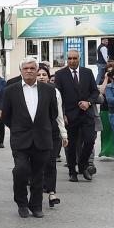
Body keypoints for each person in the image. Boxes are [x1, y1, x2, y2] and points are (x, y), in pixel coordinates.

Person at [1, 58, 63, 218]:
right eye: (26, 68)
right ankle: (21, 202)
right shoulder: (11, 90)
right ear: (21, 70)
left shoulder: (49, 90)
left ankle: (36, 205)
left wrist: (44, 128)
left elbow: (53, 114)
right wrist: (17, 129)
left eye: (32, 68)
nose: (29, 71)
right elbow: (6, 116)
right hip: (20, 139)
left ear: (37, 70)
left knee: (38, 173)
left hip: (42, 138)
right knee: (21, 170)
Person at [53, 50, 99, 182]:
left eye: (75, 58)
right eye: (69, 58)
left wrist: (88, 102)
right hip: (70, 115)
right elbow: (58, 96)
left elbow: (95, 91)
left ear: (80, 58)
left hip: (86, 114)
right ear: (66, 60)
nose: (72, 61)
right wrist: (63, 115)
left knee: (90, 141)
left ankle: (83, 165)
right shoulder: (60, 74)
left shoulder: (87, 72)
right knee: (71, 145)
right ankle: (72, 170)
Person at [36, 64, 68, 209]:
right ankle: (38, 187)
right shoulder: (29, 91)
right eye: (39, 74)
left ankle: (52, 192)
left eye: (44, 75)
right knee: (37, 163)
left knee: (50, 162)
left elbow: (59, 114)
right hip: (35, 132)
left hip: (52, 131)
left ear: (49, 78)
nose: (41, 77)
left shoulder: (55, 92)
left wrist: (63, 134)